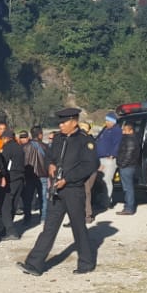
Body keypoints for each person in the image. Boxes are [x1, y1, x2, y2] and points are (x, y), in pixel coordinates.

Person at [18, 107, 99, 276]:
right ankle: (34, 264)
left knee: (78, 227)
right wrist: (50, 165)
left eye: (64, 122)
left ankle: (86, 263)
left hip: (73, 190)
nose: (61, 125)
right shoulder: (58, 139)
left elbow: (90, 165)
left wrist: (68, 179)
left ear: (74, 122)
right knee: (49, 227)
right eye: (59, 122)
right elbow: (49, 156)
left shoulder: (84, 141)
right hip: (57, 189)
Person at [0, 129, 25, 241]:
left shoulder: (8, 148)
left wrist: (1, 176)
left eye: (2, 139)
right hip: (20, 178)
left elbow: (3, 163)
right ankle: (6, 228)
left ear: (6, 138)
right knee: (13, 205)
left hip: (11, 179)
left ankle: (11, 231)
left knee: (5, 206)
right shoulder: (19, 147)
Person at [22, 126, 50, 226]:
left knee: (28, 198)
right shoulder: (45, 147)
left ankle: (27, 218)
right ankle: (43, 217)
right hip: (43, 175)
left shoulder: (25, 147)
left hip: (29, 176)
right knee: (43, 198)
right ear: (40, 135)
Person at [95, 113, 122, 212]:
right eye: (106, 120)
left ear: (113, 121)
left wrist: (112, 155)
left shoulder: (117, 130)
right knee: (100, 180)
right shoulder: (105, 129)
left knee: (107, 180)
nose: (106, 122)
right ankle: (101, 200)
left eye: (108, 121)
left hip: (109, 159)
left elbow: (118, 143)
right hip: (100, 158)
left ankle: (106, 202)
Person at [115, 120, 142, 216]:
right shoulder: (129, 138)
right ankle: (128, 206)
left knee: (128, 188)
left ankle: (129, 208)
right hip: (127, 165)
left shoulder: (130, 140)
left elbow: (129, 154)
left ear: (131, 131)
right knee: (127, 187)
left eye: (125, 130)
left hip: (127, 166)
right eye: (123, 130)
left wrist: (122, 164)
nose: (123, 132)